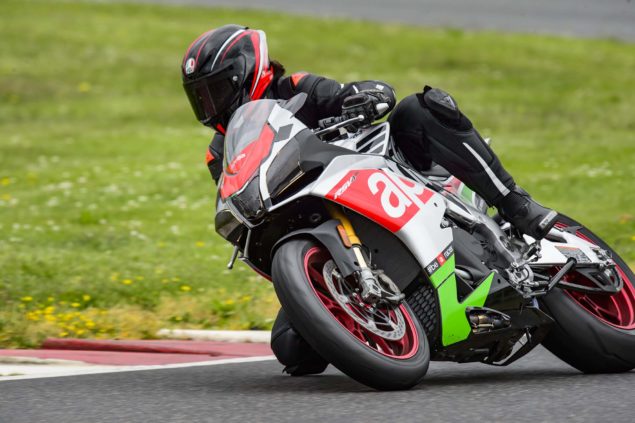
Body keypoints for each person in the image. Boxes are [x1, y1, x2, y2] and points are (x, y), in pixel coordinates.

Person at [181, 24, 558, 375]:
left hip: (377, 173)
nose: (209, 104)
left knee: (419, 108)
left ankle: (515, 203)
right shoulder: (220, 152)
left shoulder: (297, 88)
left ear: (245, 73)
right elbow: (241, 191)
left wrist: (367, 97)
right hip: (314, 221)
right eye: (200, 97)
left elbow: (352, 94)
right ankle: (394, 316)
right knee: (290, 346)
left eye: (214, 90)